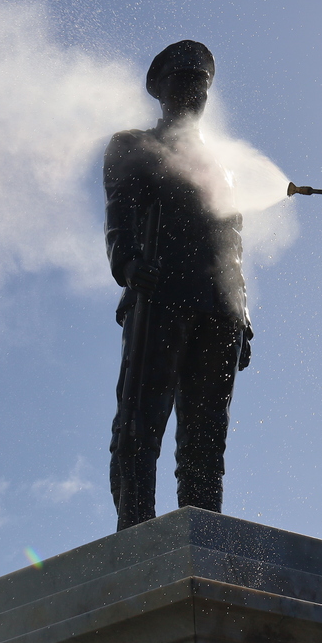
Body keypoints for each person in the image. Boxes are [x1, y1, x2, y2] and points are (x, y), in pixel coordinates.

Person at [103, 40, 251, 531]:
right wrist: (126, 262)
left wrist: (242, 315)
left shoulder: (222, 170)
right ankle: (137, 530)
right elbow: (119, 213)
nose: (195, 91)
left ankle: (203, 531)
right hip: (160, 292)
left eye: (202, 84)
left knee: (208, 434)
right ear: (162, 89)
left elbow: (233, 244)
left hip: (218, 309)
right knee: (140, 423)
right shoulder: (133, 144)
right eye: (184, 80)